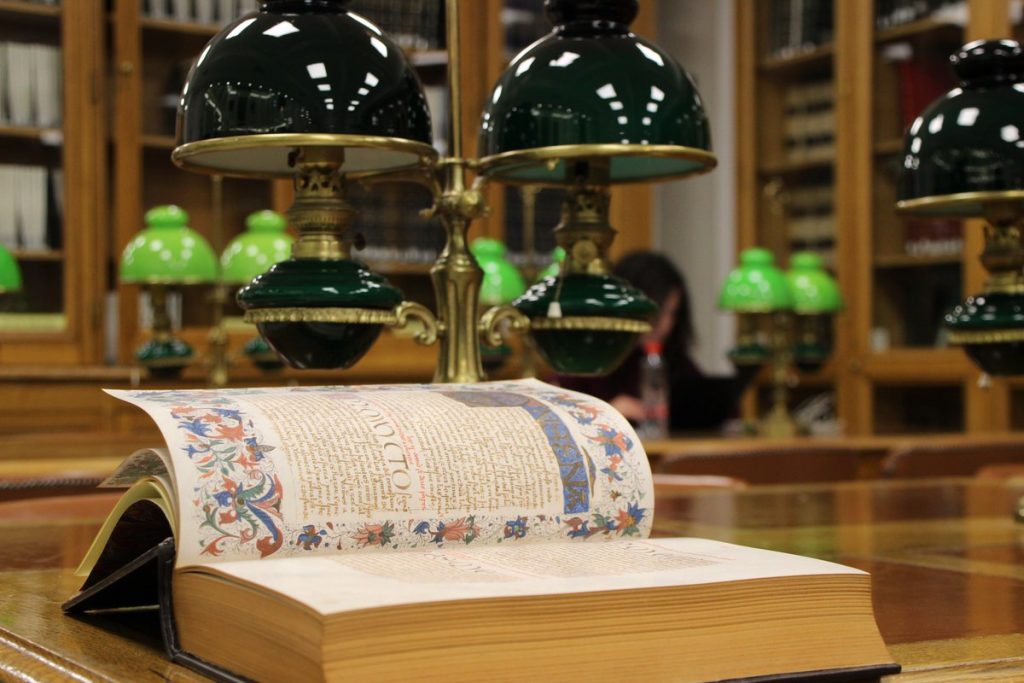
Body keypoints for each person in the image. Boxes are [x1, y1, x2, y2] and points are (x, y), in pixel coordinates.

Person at [560, 251, 754, 432]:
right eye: (658, 313)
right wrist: (607, 414)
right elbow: (558, 427)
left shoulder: (672, 359)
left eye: (673, 313)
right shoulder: (585, 363)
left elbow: (723, 413)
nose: (666, 324)